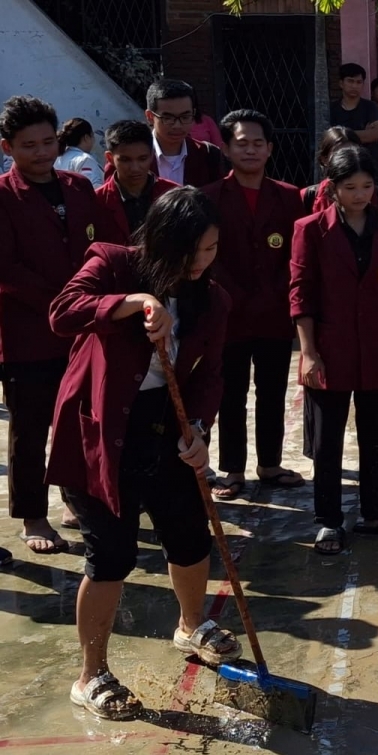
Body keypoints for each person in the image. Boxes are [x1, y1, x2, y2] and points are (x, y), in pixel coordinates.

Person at [46, 186, 240, 720]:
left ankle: (191, 623)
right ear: (162, 243)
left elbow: (211, 375)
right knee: (110, 555)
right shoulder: (112, 264)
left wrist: (198, 430)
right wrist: (130, 303)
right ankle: (91, 676)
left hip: (166, 428)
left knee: (189, 535)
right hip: (102, 433)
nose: (203, 262)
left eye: (212, 248)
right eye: (193, 251)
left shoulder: (213, 298)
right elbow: (63, 312)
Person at [291, 145, 378, 554]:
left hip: (375, 350)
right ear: (332, 188)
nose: (359, 195)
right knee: (327, 440)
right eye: (350, 187)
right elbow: (301, 294)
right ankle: (328, 521)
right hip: (329, 349)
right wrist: (309, 352)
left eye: (367, 186)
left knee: (375, 435)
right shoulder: (309, 229)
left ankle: (375, 512)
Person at [0, 95, 106, 554]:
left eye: (48, 142)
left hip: (81, 331)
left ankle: (75, 498)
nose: (41, 153)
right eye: (29, 146)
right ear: (8, 147)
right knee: (31, 426)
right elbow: (6, 269)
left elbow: (97, 247)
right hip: (28, 333)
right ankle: (32, 516)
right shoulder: (3, 197)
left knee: (81, 420)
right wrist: (64, 297)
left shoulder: (78, 188)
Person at [204, 109, 306, 501]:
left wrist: (272, 293)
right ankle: (232, 470)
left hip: (274, 314)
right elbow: (208, 256)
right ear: (227, 148)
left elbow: (297, 255)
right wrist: (235, 295)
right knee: (229, 394)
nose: (250, 150)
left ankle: (270, 463)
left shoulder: (289, 197)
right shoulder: (209, 197)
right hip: (227, 316)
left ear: (270, 149)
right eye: (241, 143)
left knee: (272, 391)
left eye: (258, 143)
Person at [95, 120, 180, 244]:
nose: (135, 168)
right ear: (110, 158)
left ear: (152, 155)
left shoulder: (174, 195)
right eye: (125, 160)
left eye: (142, 159)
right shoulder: (97, 202)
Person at [303, 126, 378, 221]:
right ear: (324, 159)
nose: (349, 159)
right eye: (350, 187)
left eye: (367, 186)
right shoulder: (306, 198)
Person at [142, 79, 224, 187]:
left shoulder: (208, 154)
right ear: (150, 117)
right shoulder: (130, 155)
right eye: (168, 118)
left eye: (185, 117)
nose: (177, 125)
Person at [329, 64, 378, 178]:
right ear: (341, 83)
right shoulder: (332, 109)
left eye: (359, 82)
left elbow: (376, 134)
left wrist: (342, 135)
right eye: (350, 81)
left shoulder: (370, 107)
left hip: (369, 168)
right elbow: (330, 140)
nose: (354, 86)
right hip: (342, 168)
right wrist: (363, 134)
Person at [54, 118, 104, 188]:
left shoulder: (57, 158)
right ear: (86, 137)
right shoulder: (85, 159)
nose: (94, 140)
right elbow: (94, 188)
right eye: (92, 135)